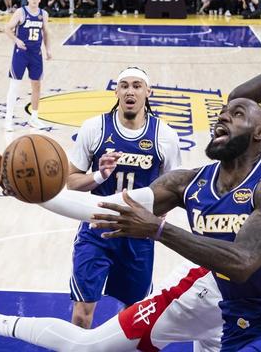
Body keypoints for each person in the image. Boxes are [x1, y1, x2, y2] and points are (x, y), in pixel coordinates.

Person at [0, 27, 261, 351]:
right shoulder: (190, 182)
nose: (222, 117)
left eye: (235, 115)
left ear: (260, 135)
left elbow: (247, 262)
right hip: (214, 295)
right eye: (221, 114)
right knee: (89, 344)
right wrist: (35, 193)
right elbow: (105, 207)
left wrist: (159, 229)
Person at [68, 67, 181, 328]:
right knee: (82, 312)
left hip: (138, 234)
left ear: (148, 92)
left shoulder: (165, 135)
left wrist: (159, 213)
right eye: (125, 85)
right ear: (116, 91)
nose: (130, 91)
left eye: (137, 86)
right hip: (97, 229)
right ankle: (78, 345)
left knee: (135, 316)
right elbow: (71, 181)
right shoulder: (95, 128)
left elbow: (174, 188)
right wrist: (99, 176)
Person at [3, 0, 51, 131]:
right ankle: (8, 120)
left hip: (36, 54)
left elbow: (46, 33)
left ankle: (34, 118)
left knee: (37, 85)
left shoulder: (44, 14)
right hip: (21, 53)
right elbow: (7, 28)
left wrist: (48, 49)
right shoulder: (21, 12)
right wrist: (16, 40)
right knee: (14, 85)